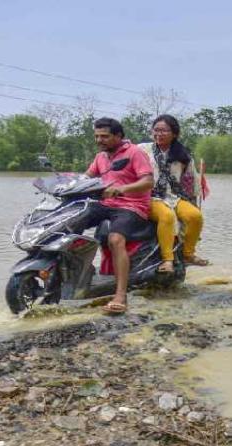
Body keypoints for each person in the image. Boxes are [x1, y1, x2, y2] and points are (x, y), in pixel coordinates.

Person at [81, 118, 155, 314]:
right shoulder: (101, 157)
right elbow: (87, 177)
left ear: (118, 136)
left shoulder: (134, 153)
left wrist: (121, 189)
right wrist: (69, 184)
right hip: (105, 204)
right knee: (69, 222)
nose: (99, 140)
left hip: (131, 205)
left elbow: (148, 182)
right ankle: (72, 273)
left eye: (104, 136)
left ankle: (121, 295)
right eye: (97, 136)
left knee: (115, 239)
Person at [138, 115, 208, 272]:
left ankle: (188, 254)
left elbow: (190, 181)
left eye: (164, 130)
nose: (159, 134)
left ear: (174, 133)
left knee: (195, 216)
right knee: (166, 216)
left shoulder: (183, 154)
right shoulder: (142, 149)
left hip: (173, 196)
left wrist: (193, 202)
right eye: (156, 130)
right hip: (148, 196)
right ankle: (167, 260)